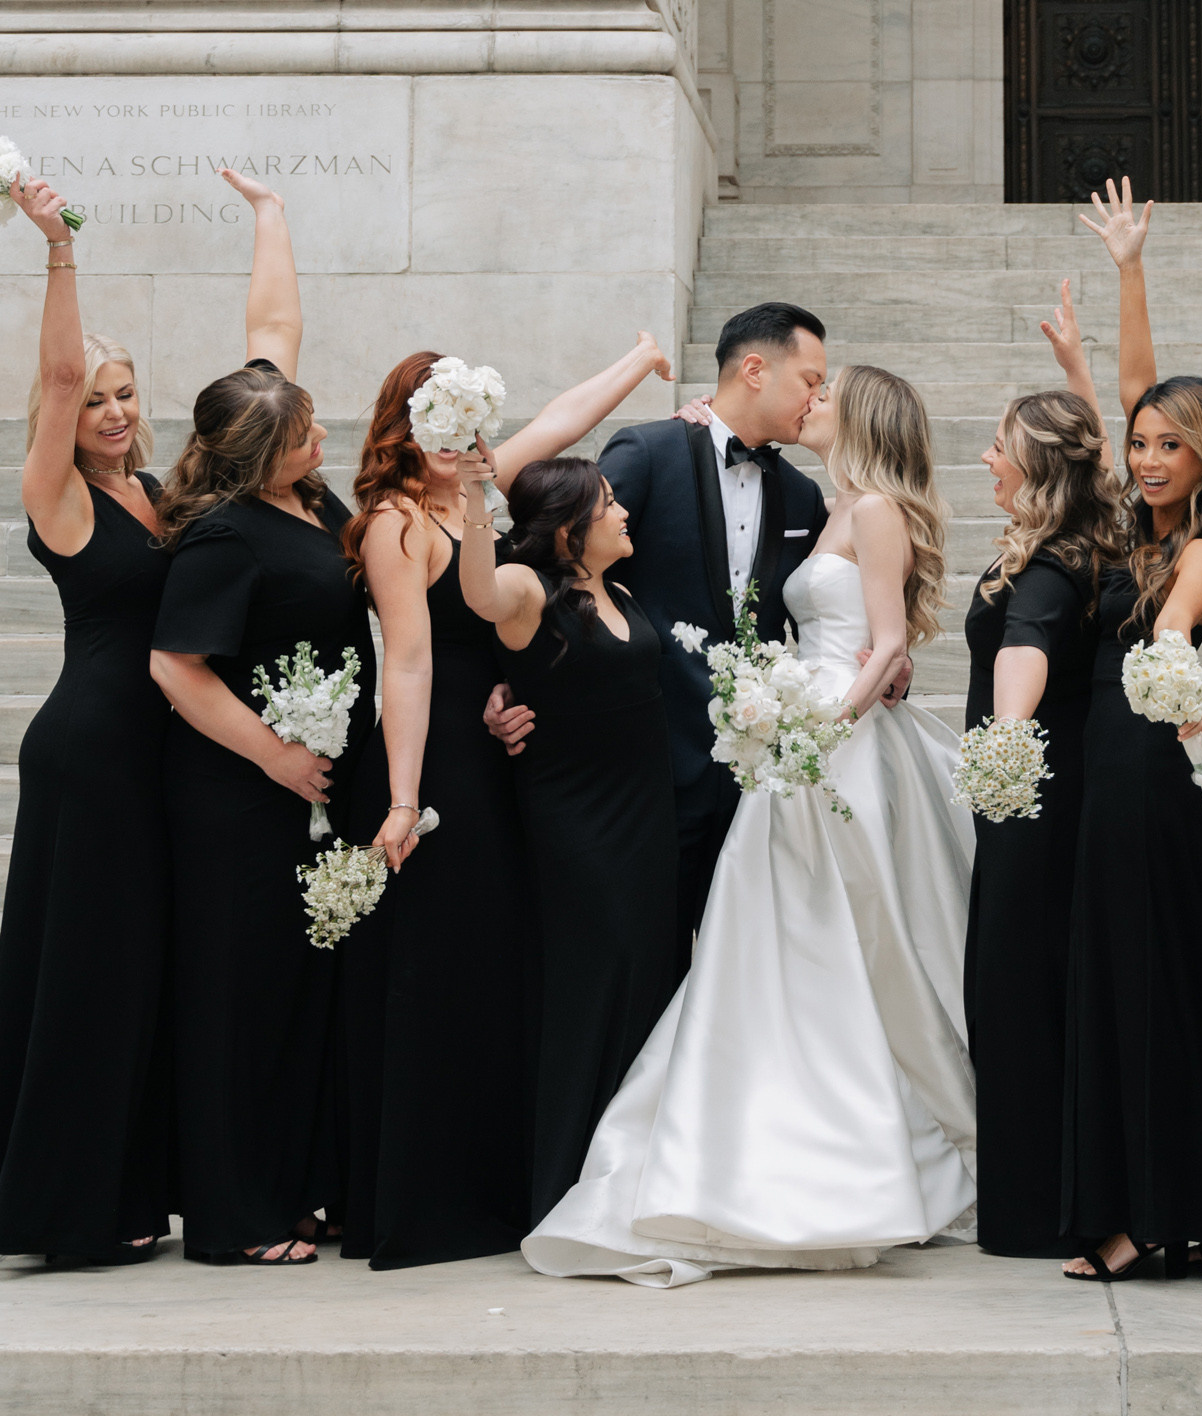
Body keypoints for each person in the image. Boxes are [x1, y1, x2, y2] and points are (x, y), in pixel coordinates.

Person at [524, 363, 977, 1284]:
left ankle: (858, 1130)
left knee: (845, 934)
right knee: (766, 930)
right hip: (792, 742)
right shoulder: (828, 501)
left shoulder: (876, 508)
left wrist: (818, 731)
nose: (811, 401)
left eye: (826, 393)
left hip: (830, 744)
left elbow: (887, 643)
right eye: (807, 384)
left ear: (859, 418)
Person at [338, 329, 671, 1270]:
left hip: (507, 759)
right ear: (403, 431)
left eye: (466, 424)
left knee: (503, 973)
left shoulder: (472, 496)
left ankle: (506, 1187)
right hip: (435, 760)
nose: (456, 441)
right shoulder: (398, 523)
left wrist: (639, 358)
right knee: (439, 976)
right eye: (435, 424)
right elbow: (405, 661)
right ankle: (426, 1204)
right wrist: (403, 802)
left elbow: (568, 414)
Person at [149, 172, 375, 1267]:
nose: (321, 428)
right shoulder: (224, 535)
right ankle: (234, 1218)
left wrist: (273, 215)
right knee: (241, 999)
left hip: (309, 787)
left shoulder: (307, 493)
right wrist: (279, 759)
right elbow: (177, 669)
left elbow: (272, 331)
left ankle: (303, 1188)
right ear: (260, 454)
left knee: (303, 994)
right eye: (303, 429)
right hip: (238, 796)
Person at [0, 176, 172, 1268]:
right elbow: (51, 375)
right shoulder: (63, 496)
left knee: (131, 976)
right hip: (90, 753)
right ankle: (59, 1209)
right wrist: (59, 254)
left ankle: (123, 1192)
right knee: (83, 977)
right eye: (95, 401)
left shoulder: (157, 491)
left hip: (155, 758)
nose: (114, 413)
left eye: (124, 393)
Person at [1047, 183, 1202, 1283]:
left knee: (1150, 993)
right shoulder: (1132, 523)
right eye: (1139, 444)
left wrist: (1175, 680)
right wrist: (1127, 269)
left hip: (1146, 780)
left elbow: (1169, 635)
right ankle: (1176, 1210)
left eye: (1170, 445)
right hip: (1108, 777)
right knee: (1118, 987)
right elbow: (1135, 389)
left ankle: (1153, 1218)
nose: (1147, 456)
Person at [490, 302, 833, 937]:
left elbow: (814, 609)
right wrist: (516, 675)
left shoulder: (805, 496)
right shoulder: (649, 451)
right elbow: (549, 559)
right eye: (811, 380)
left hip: (750, 774)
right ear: (755, 369)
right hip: (642, 761)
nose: (818, 398)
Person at [459, 453, 685, 1225]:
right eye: (609, 503)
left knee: (652, 975)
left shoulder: (618, 589)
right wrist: (472, 492)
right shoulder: (531, 592)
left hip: (649, 816)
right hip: (576, 822)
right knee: (596, 983)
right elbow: (479, 590)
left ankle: (639, 1171)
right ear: (567, 530)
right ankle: (568, 1182)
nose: (624, 513)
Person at [962, 381, 1130, 1259]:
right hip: (1034, 802)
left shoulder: (1055, 566)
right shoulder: (1067, 546)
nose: (987, 458)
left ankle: (1037, 1209)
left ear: (1034, 462)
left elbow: (1026, 644)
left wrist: (1003, 750)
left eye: (999, 444)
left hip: (1030, 806)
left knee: (1018, 992)